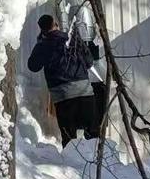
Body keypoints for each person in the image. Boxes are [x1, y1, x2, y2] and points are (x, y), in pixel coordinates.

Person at [27, 14, 100, 146]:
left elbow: (33, 66)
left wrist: (40, 45)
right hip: (85, 92)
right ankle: (99, 162)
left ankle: (71, 161)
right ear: (56, 24)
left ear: (42, 30)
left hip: (63, 97)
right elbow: (89, 62)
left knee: (69, 137)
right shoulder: (73, 39)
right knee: (93, 134)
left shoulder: (43, 45)